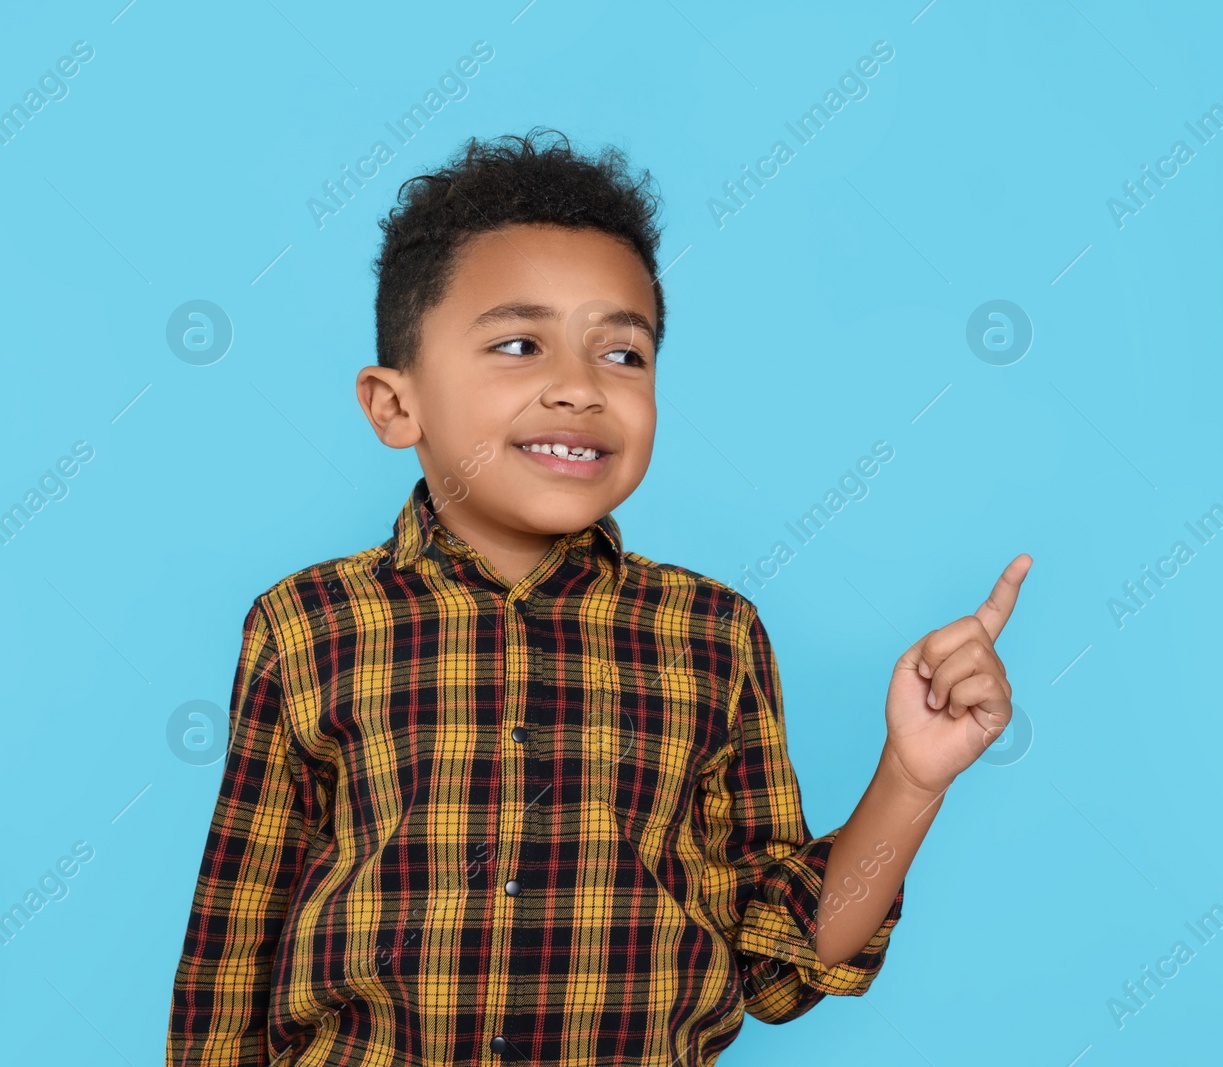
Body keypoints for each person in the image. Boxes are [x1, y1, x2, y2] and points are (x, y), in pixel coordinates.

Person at [164, 126, 1031, 1066]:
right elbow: (230, 951)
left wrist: (912, 776)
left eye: (624, 355)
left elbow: (779, 960)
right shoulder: (310, 625)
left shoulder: (712, 634)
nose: (579, 388)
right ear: (394, 404)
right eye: (520, 343)